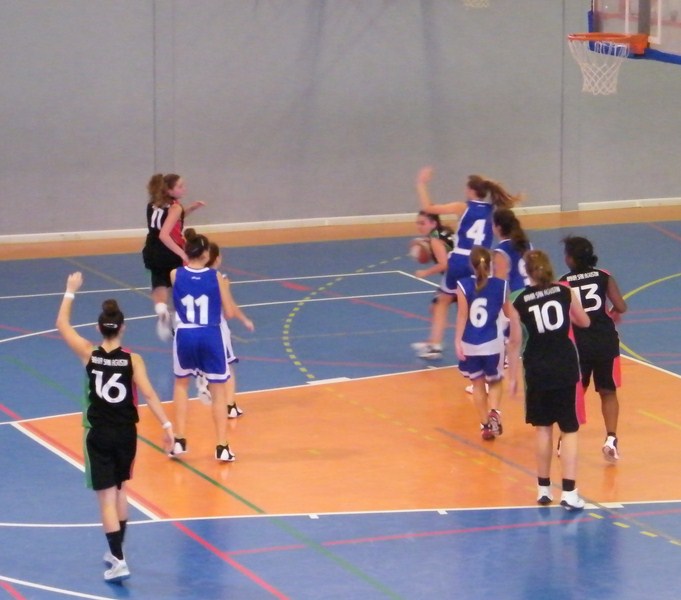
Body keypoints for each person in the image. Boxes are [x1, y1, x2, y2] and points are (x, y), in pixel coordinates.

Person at [55, 272, 174, 583]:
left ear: (99, 328)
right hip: (126, 434)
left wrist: (70, 291)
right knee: (121, 489)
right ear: (123, 328)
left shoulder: (89, 353)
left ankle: (119, 560)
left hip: (99, 433)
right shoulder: (133, 361)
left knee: (106, 498)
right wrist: (167, 425)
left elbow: (62, 325)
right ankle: (117, 551)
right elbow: (149, 394)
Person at [411, 166, 522, 360]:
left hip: (461, 259)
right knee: (485, 302)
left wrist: (421, 183)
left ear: (471, 190)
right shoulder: (493, 211)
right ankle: (500, 339)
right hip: (481, 260)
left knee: (442, 301)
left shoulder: (462, 207)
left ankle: (435, 345)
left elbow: (429, 208)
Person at [509, 250, 590, 511]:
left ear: (527, 272)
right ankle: (569, 492)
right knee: (569, 429)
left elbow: (515, 341)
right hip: (564, 365)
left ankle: (543, 489)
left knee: (543, 428)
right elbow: (584, 321)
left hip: (536, 368)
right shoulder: (565, 291)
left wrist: (512, 377)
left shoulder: (518, 300)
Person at [169, 229, 244, 462]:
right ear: (205, 255)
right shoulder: (216, 277)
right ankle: (222, 446)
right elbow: (229, 313)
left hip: (185, 334)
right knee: (218, 391)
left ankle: (179, 440)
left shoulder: (174, 274)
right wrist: (225, 290)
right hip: (210, 334)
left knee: (181, 384)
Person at [559, 235, 627, 462]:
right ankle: (611, 439)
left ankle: (565, 439)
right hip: (605, 341)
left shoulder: (564, 283)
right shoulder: (603, 276)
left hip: (579, 344)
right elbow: (620, 306)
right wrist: (611, 314)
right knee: (608, 391)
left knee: (577, 390)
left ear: (571, 258)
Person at [455, 247, 520, 440]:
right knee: (495, 380)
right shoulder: (501, 285)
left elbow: (462, 316)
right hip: (492, 342)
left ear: (471, 265)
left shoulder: (463, 285)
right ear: (491, 264)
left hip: (469, 343)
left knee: (477, 384)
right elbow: (509, 314)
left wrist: (457, 341)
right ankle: (495, 412)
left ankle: (485, 425)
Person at [194, 240, 254, 419]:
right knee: (227, 366)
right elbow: (229, 308)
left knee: (209, 362)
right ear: (217, 258)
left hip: (195, 327)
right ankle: (230, 405)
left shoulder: (192, 276)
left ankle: (206, 381)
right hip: (217, 328)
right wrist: (244, 319)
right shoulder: (219, 279)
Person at [141, 173, 205, 341]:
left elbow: (170, 221)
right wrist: (182, 253)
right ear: (169, 190)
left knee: (159, 283)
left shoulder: (153, 204)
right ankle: (179, 321)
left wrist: (191, 209)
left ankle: (162, 311)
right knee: (178, 286)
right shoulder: (174, 208)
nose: (184, 189)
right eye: (180, 186)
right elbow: (165, 234)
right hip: (168, 250)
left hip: (151, 249)